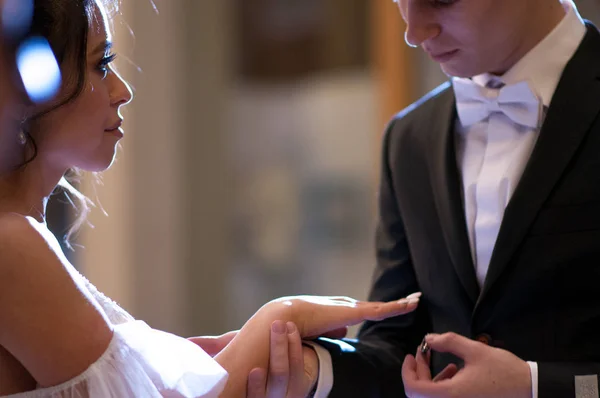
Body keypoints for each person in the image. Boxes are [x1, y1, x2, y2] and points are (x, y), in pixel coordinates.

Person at [0, 0, 423, 397]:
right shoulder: (11, 241)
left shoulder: (24, 235)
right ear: (28, 86)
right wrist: (281, 317)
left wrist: (218, 354)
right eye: (101, 64)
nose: (122, 90)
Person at [265, 0, 600, 396]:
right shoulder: (409, 138)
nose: (413, 33)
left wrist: (536, 386)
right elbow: (396, 342)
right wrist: (307, 366)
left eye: (440, 0)